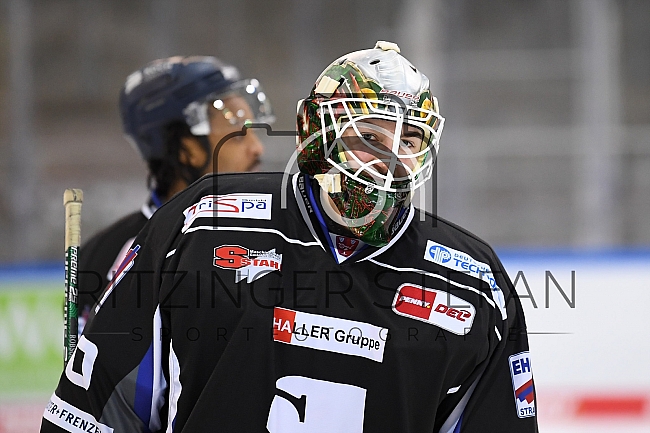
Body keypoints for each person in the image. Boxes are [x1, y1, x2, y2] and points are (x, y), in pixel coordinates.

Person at [42, 42, 538, 432]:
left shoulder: (474, 282)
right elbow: (98, 412)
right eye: (368, 136)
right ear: (313, 131)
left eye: (408, 140)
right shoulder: (199, 224)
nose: (389, 161)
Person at [76, 55, 274, 334]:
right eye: (238, 136)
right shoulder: (104, 258)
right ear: (186, 149)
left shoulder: (281, 234)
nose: (257, 149)